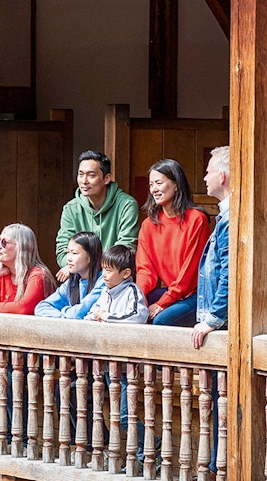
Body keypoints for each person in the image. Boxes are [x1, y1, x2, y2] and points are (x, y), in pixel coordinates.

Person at [136, 159, 211, 326]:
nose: (154, 189)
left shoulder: (196, 219)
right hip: (174, 292)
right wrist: (137, 298)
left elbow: (190, 275)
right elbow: (145, 271)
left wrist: (162, 303)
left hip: (196, 294)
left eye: (159, 183)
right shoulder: (148, 225)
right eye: (151, 185)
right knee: (132, 307)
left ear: (176, 185)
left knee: (160, 320)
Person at [54, 151, 139, 283]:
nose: (84, 181)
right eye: (80, 174)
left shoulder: (127, 205)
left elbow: (126, 248)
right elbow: (62, 251)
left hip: (115, 280)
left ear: (106, 178)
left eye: (91, 175)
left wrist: (85, 265)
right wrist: (78, 266)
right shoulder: (71, 208)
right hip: (81, 277)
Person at [0, 223, 56, 315]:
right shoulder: (1, 275)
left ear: (21, 247)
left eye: (4, 242)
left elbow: (24, 308)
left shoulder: (38, 274)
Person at [191, 145, 231, 349]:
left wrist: (213, 318)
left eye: (208, 172)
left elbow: (228, 273)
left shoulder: (230, 219)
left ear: (222, 177)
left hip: (220, 324)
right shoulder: (225, 216)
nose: (205, 178)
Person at [35, 231, 106, 319]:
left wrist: (64, 313)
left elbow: (79, 313)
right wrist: (63, 316)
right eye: (68, 252)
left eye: (74, 253)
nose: (69, 258)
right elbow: (41, 307)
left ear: (90, 257)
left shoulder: (104, 281)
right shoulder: (72, 282)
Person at [85, 244, 148, 324]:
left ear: (125, 273)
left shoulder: (132, 291)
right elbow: (91, 314)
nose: (103, 274)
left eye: (108, 270)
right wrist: (94, 316)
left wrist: (106, 316)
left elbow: (138, 316)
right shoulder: (105, 291)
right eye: (103, 269)